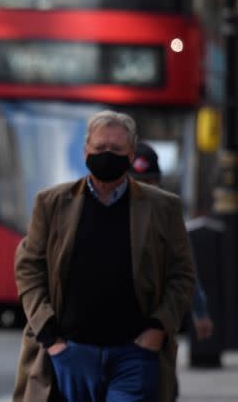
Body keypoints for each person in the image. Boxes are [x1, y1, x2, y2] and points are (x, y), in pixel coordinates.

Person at [13, 110, 195, 402]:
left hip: (134, 356)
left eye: (116, 149)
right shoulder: (51, 203)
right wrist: (51, 338)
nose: (106, 155)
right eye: (100, 148)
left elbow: (182, 275)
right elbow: (28, 270)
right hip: (69, 353)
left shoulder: (164, 207)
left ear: (131, 153)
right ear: (86, 150)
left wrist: (158, 329)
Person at [130, 142, 214, 343]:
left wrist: (200, 312)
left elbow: (185, 269)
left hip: (153, 324)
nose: (145, 189)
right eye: (138, 183)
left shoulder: (167, 217)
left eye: (150, 182)